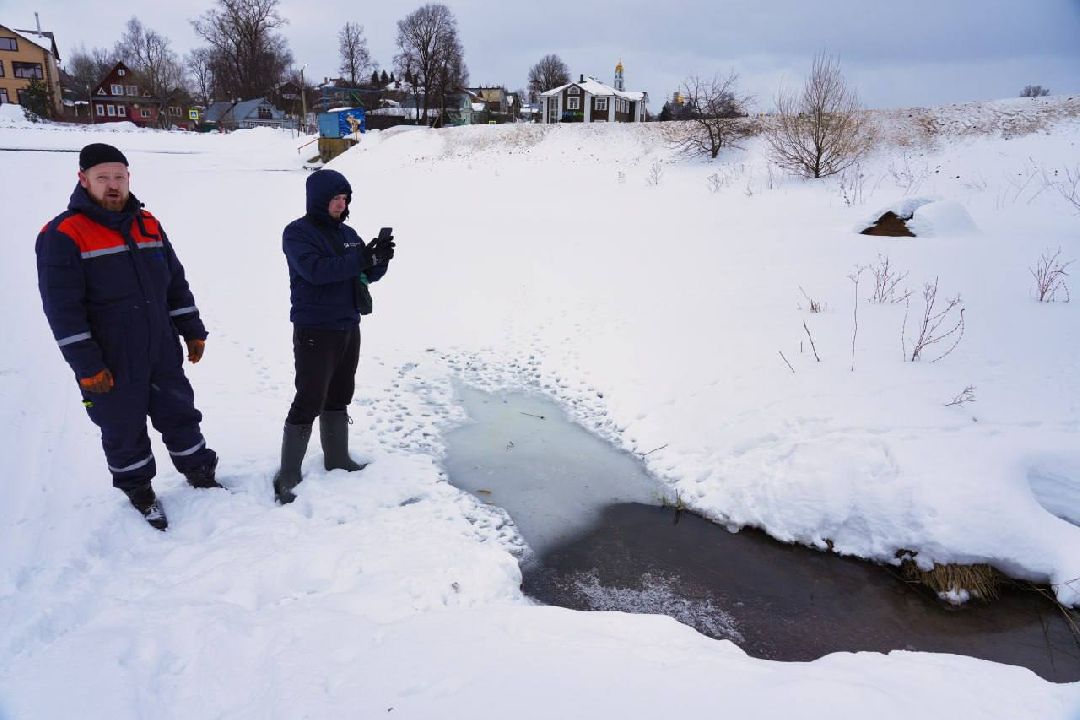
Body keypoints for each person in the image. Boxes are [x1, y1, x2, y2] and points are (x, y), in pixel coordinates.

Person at [36, 143, 220, 531]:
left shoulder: (147, 224)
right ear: (83, 180)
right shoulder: (63, 235)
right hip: (110, 360)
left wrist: (192, 330)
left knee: (180, 414)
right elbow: (63, 311)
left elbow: (175, 284)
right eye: (103, 178)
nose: (113, 185)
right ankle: (140, 491)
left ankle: (200, 472)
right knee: (123, 429)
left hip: (160, 349)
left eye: (119, 176)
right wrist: (87, 366)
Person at [274, 169, 395, 504]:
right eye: (335, 199)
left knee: (340, 394)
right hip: (315, 328)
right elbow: (316, 271)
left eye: (345, 199)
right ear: (318, 199)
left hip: (347, 325)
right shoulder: (298, 234)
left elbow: (362, 273)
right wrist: (360, 257)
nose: (341, 205)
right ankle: (288, 474)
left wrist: (379, 259)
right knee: (309, 397)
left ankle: (337, 460)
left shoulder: (349, 233)